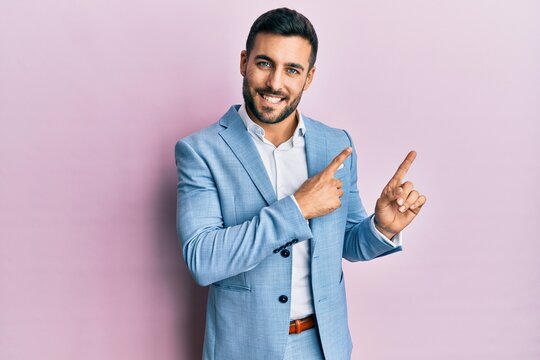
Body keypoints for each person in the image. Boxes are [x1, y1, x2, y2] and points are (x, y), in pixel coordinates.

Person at [175, 7, 426, 360]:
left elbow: (347, 243)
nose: (275, 83)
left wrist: (381, 227)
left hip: (324, 346)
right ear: (244, 62)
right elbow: (203, 259)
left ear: (308, 78)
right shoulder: (200, 151)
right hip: (244, 348)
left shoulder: (335, 145)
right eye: (264, 63)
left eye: (292, 70)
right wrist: (296, 208)